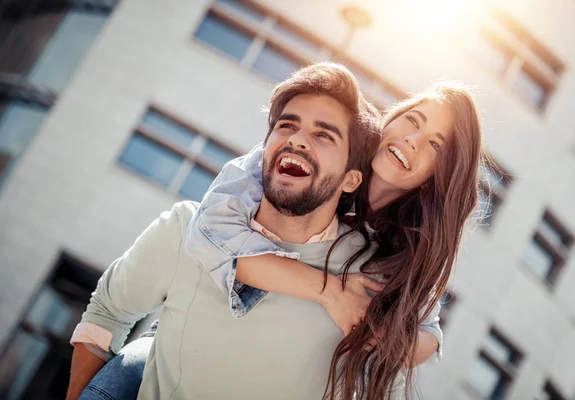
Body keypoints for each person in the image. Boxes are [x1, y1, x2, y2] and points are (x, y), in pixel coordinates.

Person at [71, 63, 483, 399]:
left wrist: (379, 329)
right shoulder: (268, 169)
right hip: (177, 336)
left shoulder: (404, 251)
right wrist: (327, 290)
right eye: (412, 120)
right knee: (137, 364)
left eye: (434, 145)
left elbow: (425, 337)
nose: (412, 140)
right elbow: (208, 232)